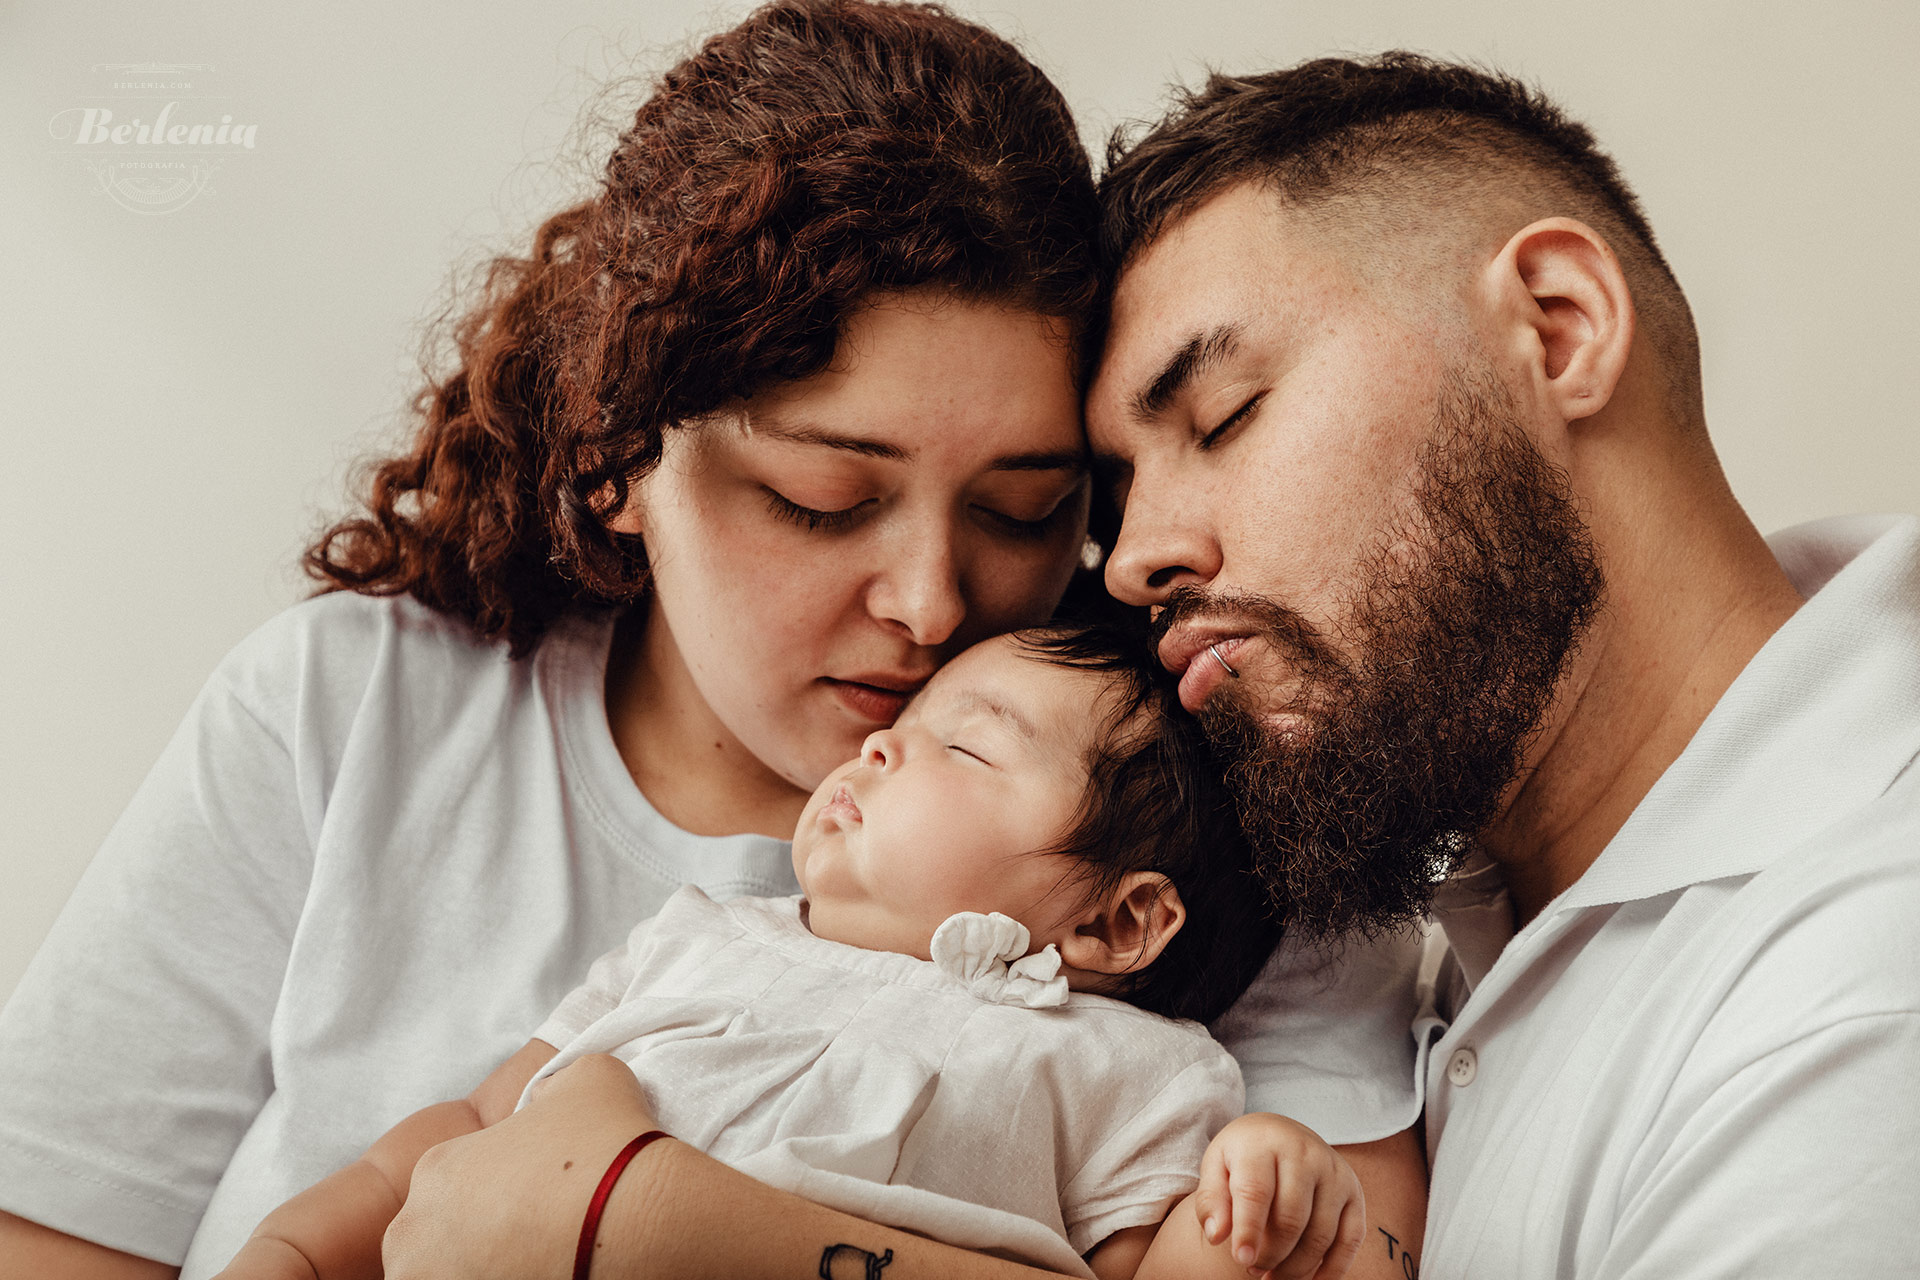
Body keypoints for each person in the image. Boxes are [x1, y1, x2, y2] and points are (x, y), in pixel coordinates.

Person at [0, 8, 1427, 1280]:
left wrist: (629, 1212)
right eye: (822, 501)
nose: (931, 605)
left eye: (1027, 509)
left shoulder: (1198, 822)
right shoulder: (351, 713)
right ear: (619, 458)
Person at [1081, 52, 1920, 1279]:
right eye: (1118, 500)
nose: (1136, 562)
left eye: (1223, 416)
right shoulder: (1449, 914)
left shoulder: (1861, 994)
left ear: (1558, 327)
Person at [215, 627, 1414, 1280]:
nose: (883, 748)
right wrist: (303, 1245)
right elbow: (470, 1131)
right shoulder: (694, 937)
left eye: (967, 746)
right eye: (896, 726)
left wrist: (1257, 1193)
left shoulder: (1131, 1067)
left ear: (1117, 920)